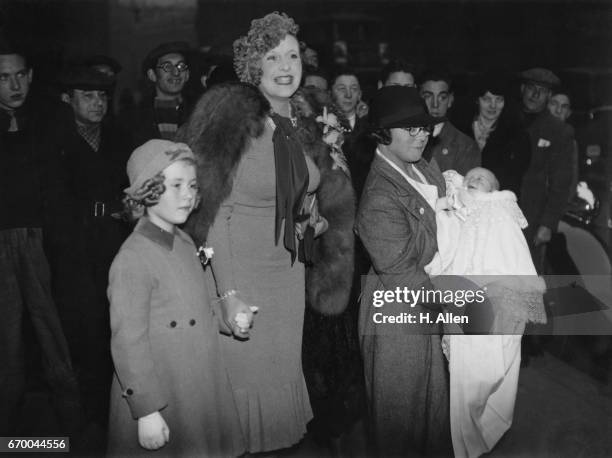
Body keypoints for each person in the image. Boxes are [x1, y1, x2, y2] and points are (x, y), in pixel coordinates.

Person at [178, 12, 354, 454]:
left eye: (292, 55)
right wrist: (227, 291)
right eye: (272, 56)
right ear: (253, 67)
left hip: (287, 277)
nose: (284, 64)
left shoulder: (295, 121)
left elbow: (295, 190)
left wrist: (311, 218)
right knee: (244, 408)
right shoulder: (235, 119)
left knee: (276, 409)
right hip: (244, 279)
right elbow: (215, 211)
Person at [106, 139, 245, 457]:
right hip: (163, 389)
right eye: (176, 185)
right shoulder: (132, 258)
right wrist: (146, 410)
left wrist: (228, 319)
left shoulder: (182, 240)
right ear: (147, 191)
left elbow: (196, 304)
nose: (188, 194)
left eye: (193, 185)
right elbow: (128, 344)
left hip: (197, 379)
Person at [355, 85, 452, 457]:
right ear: (383, 133)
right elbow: (405, 279)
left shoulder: (421, 167)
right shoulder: (380, 198)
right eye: (409, 128)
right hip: (397, 318)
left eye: (424, 127)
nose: (421, 135)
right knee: (401, 427)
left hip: (429, 308)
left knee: (433, 418)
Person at [425, 167, 546, 458]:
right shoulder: (456, 209)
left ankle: (472, 436)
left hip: (496, 300)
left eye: (483, 178)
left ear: (495, 189)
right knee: (466, 378)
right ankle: (461, 442)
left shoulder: (500, 211)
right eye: (471, 177)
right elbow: (445, 248)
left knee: (491, 369)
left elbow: (513, 256)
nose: (474, 180)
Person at [0, 38, 82, 436]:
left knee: (56, 337)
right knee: (7, 344)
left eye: (20, 75)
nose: (14, 85)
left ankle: (73, 435)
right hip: (2, 245)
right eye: (3, 77)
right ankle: (8, 436)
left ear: (31, 76)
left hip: (48, 244)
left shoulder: (53, 118)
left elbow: (71, 185)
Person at [55, 64, 131, 430]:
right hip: (74, 248)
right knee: (84, 329)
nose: (98, 103)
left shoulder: (117, 138)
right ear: (67, 99)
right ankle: (88, 418)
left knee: (115, 324)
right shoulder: (54, 142)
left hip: (114, 241)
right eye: (88, 96)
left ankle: (116, 411)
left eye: (102, 96)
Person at [517, 67, 576, 271]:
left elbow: (561, 182)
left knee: (530, 278)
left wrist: (548, 224)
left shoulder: (559, 131)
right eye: (531, 88)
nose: (535, 94)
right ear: (522, 89)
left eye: (541, 90)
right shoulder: (509, 121)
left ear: (549, 95)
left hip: (534, 219)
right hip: (503, 214)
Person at [455, 71, 531, 198]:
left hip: (496, 203)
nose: (493, 105)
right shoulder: (460, 128)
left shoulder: (518, 136)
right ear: (477, 100)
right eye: (487, 99)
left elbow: (514, 180)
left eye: (499, 99)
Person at [124, 42, 192, 147]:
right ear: (152, 75)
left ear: (187, 75)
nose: (176, 72)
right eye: (167, 66)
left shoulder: (198, 112)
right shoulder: (134, 119)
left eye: (181, 66)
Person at [419, 68, 481, 175]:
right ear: (418, 97)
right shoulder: (405, 139)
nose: (435, 104)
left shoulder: (466, 147)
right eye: (428, 96)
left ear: (450, 100)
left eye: (442, 97)